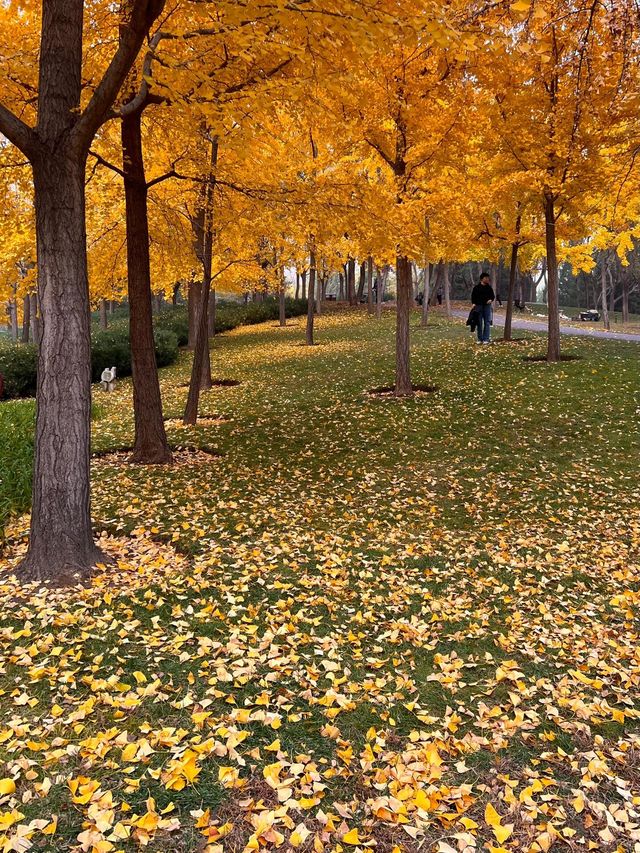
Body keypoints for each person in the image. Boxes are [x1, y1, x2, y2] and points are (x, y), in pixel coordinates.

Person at [471, 272, 495, 343]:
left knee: (487, 322)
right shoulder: (476, 288)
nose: (487, 279)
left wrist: (490, 300)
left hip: (487, 306)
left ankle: (486, 339)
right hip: (478, 306)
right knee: (479, 323)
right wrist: (473, 304)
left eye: (488, 278)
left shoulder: (489, 288)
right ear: (482, 279)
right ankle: (479, 338)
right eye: (486, 278)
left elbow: (492, 296)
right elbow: (473, 296)